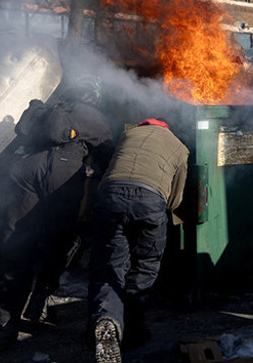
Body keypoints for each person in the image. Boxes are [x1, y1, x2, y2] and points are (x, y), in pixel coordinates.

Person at [0, 87, 115, 351]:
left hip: (23, 177)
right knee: (63, 240)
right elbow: (108, 156)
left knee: (16, 246)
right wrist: (90, 171)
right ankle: (40, 298)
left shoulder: (45, 111)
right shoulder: (92, 117)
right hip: (62, 181)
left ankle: (4, 326)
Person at [88, 118, 189, 363]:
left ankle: (107, 321)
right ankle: (133, 332)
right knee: (145, 265)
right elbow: (175, 199)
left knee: (109, 266)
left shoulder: (128, 136)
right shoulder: (179, 147)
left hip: (110, 197)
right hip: (150, 201)